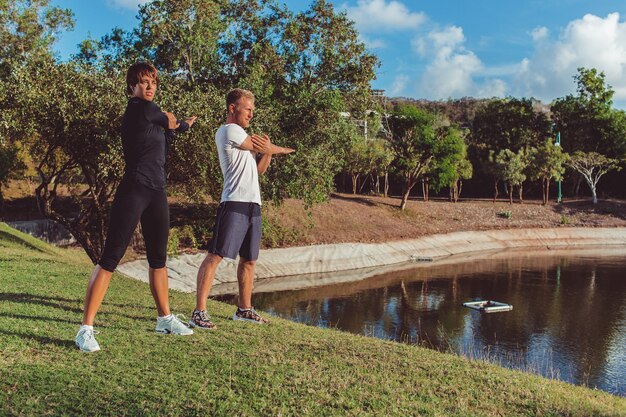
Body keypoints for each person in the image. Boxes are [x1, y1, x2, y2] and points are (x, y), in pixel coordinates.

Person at [75, 62, 198, 352]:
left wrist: (177, 127)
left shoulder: (152, 119)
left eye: (153, 82)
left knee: (158, 259)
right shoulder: (139, 109)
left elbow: (169, 131)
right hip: (134, 190)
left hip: (157, 192)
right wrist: (180, 123)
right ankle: (85, 330)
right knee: (110, 258)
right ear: (132, 87)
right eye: (143, 82)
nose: (149, 87)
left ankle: (165, 319)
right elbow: (170, 119)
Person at [188, 88, 294, 329]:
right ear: (232, 109)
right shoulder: (229, 131)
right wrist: (279, 149)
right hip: (234, 202)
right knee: (216, 255)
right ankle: (199, 312)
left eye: (253, 111)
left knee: (249, 260)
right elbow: (260, 145)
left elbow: (258, 171)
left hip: (253, 205)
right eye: (248, 109)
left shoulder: (244, 143)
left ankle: (244, 309)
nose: (251, 115)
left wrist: (268, 152)